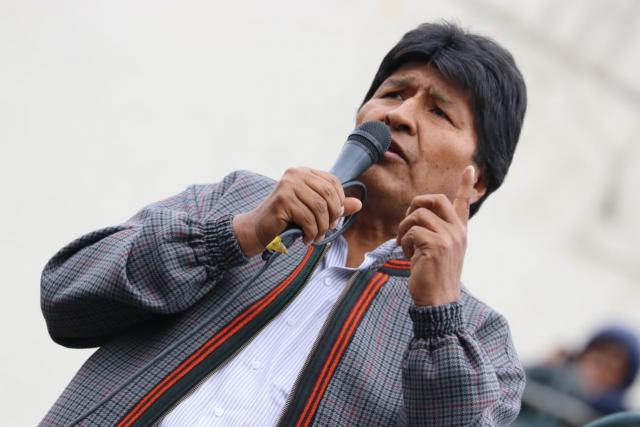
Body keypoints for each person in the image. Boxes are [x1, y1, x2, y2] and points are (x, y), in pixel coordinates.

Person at [40, 22, 527, 426]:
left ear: (478, 179)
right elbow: (66, 296)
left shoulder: (481, 336)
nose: (399, 115)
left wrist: (438, 317)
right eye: (393, 93)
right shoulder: (241, 199)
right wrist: (238, 235)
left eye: (438, 111)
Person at [515, 325, 640, 426]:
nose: (605, 360)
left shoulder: (617, 416)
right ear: (583, 355)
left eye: (612, 365)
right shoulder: (547, 376)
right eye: (600, 351)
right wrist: (545, 365)